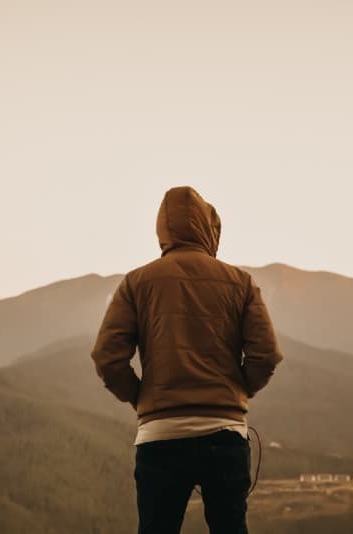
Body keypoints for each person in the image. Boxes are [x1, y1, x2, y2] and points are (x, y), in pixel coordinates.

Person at [91, 185, 284, 534]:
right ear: (209, 229)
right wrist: (237, 391)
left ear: (162, 229)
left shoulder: (136, 282)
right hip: (224, 433)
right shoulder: (240, 283)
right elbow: (266, 354)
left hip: (160, 435)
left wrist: (142, 397)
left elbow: (107, 358)